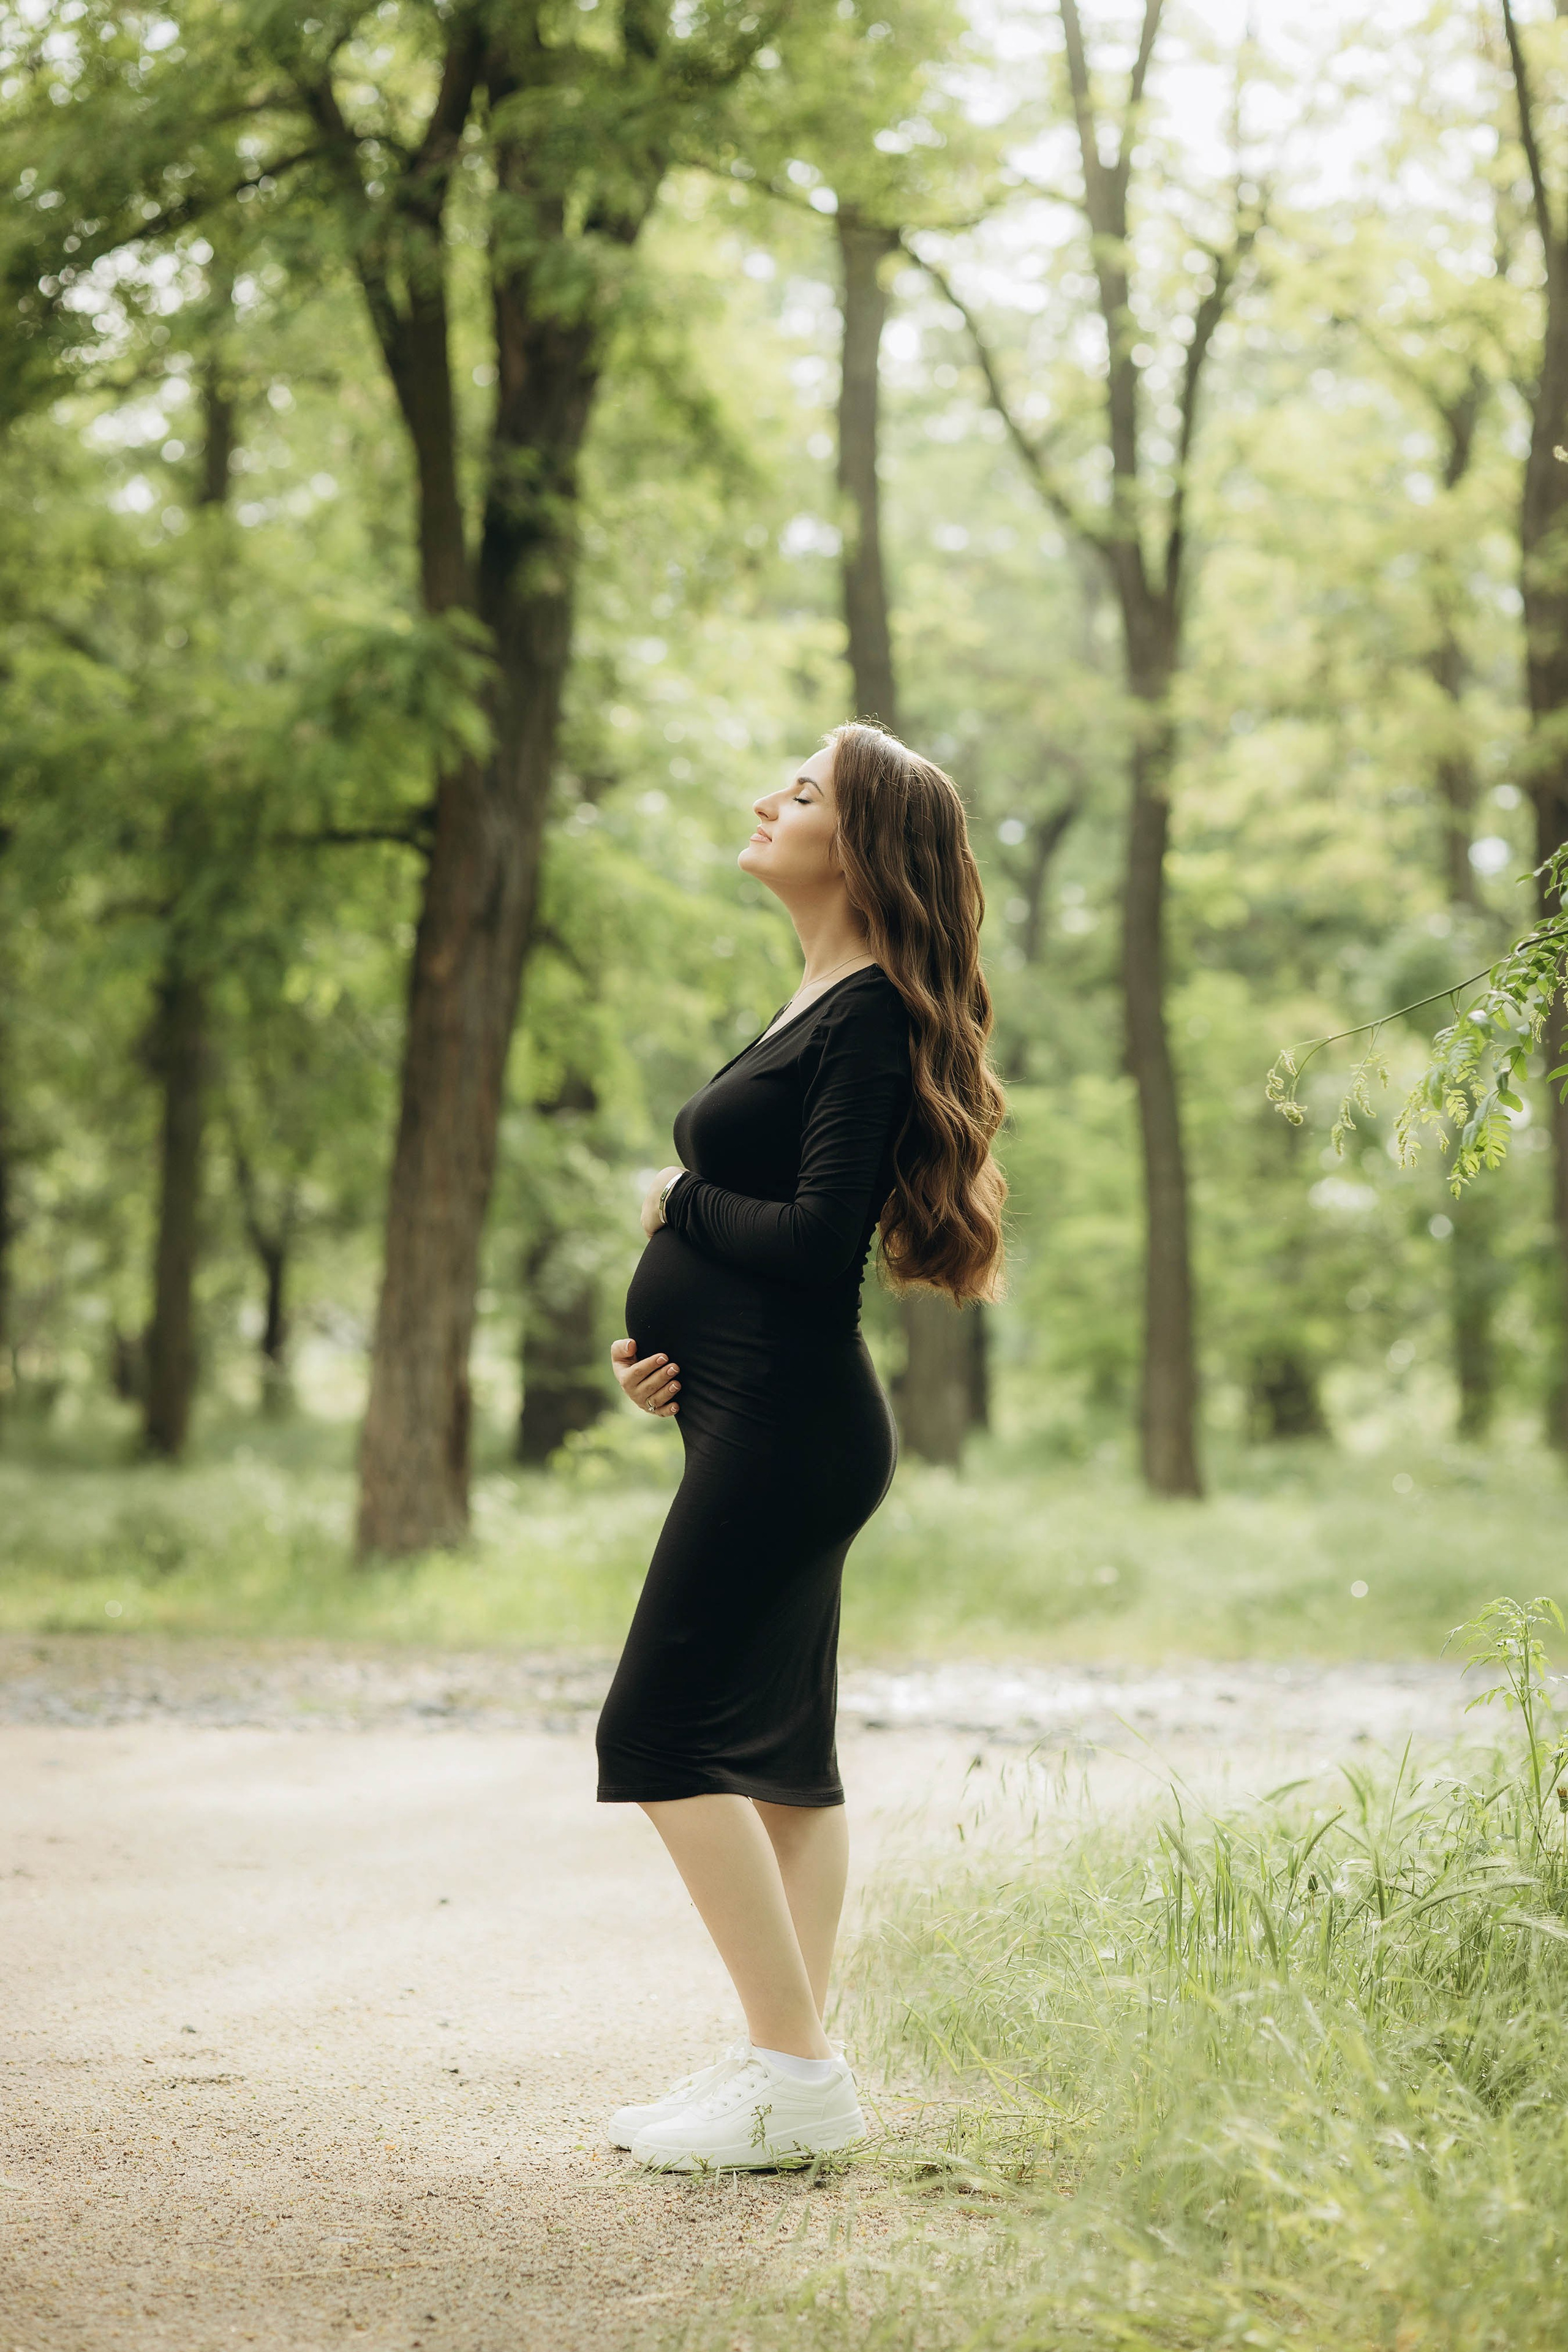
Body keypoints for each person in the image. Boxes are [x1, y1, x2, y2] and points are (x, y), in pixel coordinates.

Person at [595, 720, 1007, 2171]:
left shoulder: (874, 1012)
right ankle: (781, 2071)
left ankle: (801, 2072)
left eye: (805, 792)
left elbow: (818, 1237)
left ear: (864, 845)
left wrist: (674, 1203)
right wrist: (670, 1364)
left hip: (794, 1430)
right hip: (749, 1417)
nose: (766, 799)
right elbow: (763, 1229)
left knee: (650, 1738)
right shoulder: (815, 995)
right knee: (783, 1765)